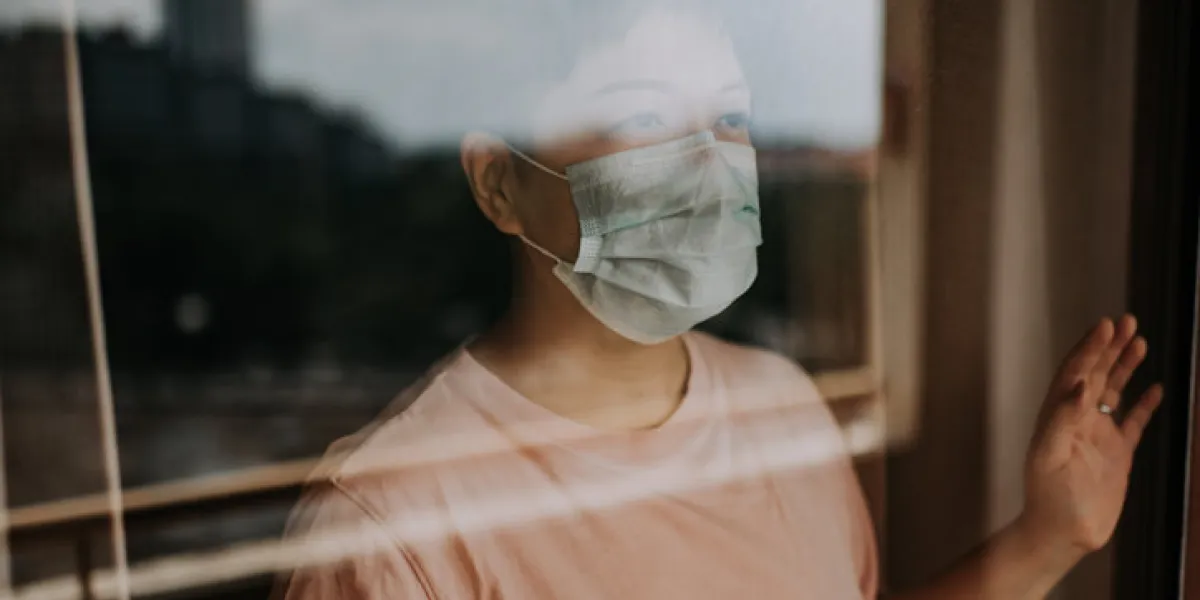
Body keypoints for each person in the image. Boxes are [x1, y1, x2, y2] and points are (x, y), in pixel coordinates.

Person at [272, 3, 1163, 598]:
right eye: (645, 120)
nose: (709, 159)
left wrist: (1050, 537)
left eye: (729, 116)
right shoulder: (390, 527)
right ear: (499, 183)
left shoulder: (783, 408)